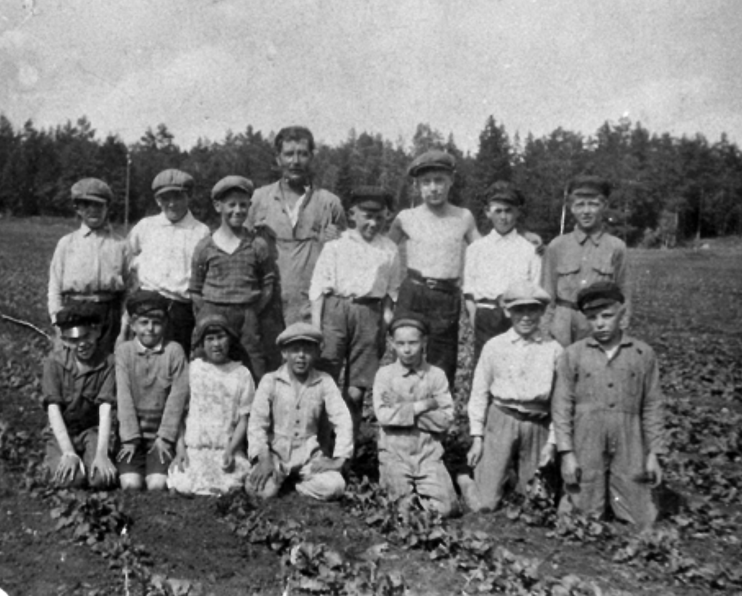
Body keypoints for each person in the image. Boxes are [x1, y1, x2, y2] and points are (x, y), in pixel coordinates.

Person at [552, 281, 664, 527]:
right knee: (578, 517)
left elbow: (652, 405)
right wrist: (567, 453)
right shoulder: (573, 354)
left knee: (642, 519)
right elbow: (561, 407)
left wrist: (654, 454)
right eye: (592, 318)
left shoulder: (642, 354)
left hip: (629, 438)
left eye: (607, 316)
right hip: (586, 438)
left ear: (621, 314)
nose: (600, 324)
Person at [457, 281, 562, 512]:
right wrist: (477, 437)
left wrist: (552, 443)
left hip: (537, 424)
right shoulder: (495, 346)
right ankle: (468, 478)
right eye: (518, 310)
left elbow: (560, 403)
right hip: (502, 420)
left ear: (542, 312)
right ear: (507, 312)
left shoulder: (554, 349)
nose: (525, 317)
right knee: (485, 504)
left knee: (538, 504)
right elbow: (479, 392)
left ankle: (513, 474)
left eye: (532, 310)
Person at [309, 186, 401, 441]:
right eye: (367, 216)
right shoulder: (336, 245)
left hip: (369, 314)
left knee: (357, 389)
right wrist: (316, 327)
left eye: (379, 217)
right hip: (335, 312)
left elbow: (392, 291)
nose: (373, 223)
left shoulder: (389, 249)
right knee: (325, 378)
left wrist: (385, 323)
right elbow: (318, 287)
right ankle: (319, 443)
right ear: (352, 214)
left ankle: (347, 447)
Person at [389, 149, 479, 387]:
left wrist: (525, 238)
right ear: (417, 186)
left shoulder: (463, 217)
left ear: (451, 181)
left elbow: (484, 251)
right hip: (413, 293)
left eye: (439, 180)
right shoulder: (406, 217)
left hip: (446, 297)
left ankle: (438, 410)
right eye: (426, 182)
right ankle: (402, 408)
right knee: (405, 357)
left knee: (443, 364)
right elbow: (381, 250)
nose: (433, 188)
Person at [248, 126, 346, 325]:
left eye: (302, 154)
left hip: (313, 310)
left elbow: (346, 259)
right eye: (289, 154)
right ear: (278, 159)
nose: (295, 161)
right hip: (268, 309)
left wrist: (337, 240)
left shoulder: (329, 203)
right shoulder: (259, 199)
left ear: (311, 158)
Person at [246, 322, 353, 501]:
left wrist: (339, 458)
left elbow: (342, 419)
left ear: (316, 353)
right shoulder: (271, 380)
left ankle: (298, 484)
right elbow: (257, 422)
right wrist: (263, 457)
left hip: (309, 454)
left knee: (335, 487)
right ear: (284, 353)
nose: (301, 356)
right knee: (258, 490)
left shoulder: (324, 381)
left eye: (308, 350)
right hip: (276, 453)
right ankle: (278, 477)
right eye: (295, 350)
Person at [189, 176, 277, 381]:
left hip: (247, 314)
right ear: (218, 206)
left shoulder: (257, 245)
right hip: (213, 311)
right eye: (231, 205)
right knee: (205, 363)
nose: (238, 210)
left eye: (243, 205)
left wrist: (252, 311)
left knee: (254, 362)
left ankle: (255, 400)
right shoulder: (205, 246)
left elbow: (268, 283)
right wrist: (208, 311)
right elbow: (195, 288)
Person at [372, 314, 458, 517]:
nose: (407, 349)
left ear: (424, 342)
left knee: (447, 509)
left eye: (413, 343)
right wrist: (424, 405)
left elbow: (445, 420)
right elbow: (384, 416)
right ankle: (412, 500)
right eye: (400, 343)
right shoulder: (385, 375)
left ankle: (436, 491)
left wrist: (402, 405)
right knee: (399, 509)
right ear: (392, 343)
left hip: (428, 453)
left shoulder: (436, 375)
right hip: (395, 453)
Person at [169, 313, 255, 495]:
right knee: (183, 481)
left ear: (230, 340)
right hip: (195, 449)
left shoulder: (242, 374)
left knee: (232, 481)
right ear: (201, 343)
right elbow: (179, 414)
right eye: (210, 339)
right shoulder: (193, 370)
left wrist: (231, 449)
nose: (216, 344)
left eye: (221, 337)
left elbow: (243, 419)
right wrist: (180, 449)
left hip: (226, 448)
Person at [541, 175, 629, 347]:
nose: (586, 211)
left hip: (598, 324)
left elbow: (625, 294)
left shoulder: (616, 247)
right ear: (571, 208)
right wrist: (545, 331)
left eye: (593, 204)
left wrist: (621, 331)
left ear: (604, 206)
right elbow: (547, 293)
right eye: (580, 205)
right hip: (562, 325)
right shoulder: (557, 246)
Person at [127, 169, 209, 354]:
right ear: (157, 200)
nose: (172, 204)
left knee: (177, 357)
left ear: (189, 196)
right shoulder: (146, 226)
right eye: (165, 198)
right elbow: (127, 259)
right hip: (147, 303)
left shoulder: (200, 232)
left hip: (181, 309)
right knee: (144, 358)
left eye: (178, 197)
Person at [115, 290, 189, 491]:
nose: (150, 328)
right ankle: (133, 461)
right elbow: (123, 397)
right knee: (130, 484)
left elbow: (177, 400)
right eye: (144, 322)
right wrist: (129, 439)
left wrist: (165, 437)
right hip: (133, 436)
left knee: (157, 484)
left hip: (161, 436)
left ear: (165, 324)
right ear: (133, 325)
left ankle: (157, 461)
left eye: (156, 323)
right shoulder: (124, 352)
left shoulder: (174, 351)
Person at [463, 181, 542, 367]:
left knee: (516, 366)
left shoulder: (529, 250)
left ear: (517, 212)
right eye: (498, 211)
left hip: (517, 315)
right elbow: (469, 289)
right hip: (486, 314)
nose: (503, 217)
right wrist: (474, 316)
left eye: (508, 211)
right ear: (487, 212)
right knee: (485, 366)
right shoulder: (476, 248)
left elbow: (535, 288)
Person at [48, 178, 129, 354]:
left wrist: (124, 330)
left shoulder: (120, 245)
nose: (93, 210)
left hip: (109, 314)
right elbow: (54, 287)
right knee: (73, 363)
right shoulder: (67, 243)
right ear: (77, 208)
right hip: (74, 312)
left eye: (99, 205)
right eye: (86, 205)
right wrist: (57, 323)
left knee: (109, 363)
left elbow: (129, 290)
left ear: (107, 207)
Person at [41, 303, 118, 489]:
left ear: (97, 332)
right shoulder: (54, 362)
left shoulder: (108, 363)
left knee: (102, 479)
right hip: (62, 430)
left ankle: (89, 458)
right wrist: (68, 452)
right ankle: (60, 459)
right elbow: (53, 409)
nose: (82, 344)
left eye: (87, 336)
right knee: (71, 480)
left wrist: (102, 453)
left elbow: (105, 409)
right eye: (74, 340)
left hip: (91, 431)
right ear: (65, 340)